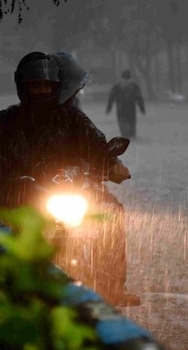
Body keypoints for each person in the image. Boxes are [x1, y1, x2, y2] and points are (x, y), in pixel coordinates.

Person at [0, 51, 139, 307]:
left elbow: (96, 144)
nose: (41, 91)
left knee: (112, 212)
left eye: (46, 85)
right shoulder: (7, 122)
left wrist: (112, 162)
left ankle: (112, 287)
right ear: (23, 88)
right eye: (35, 86)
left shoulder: (72, 118)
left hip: (68, 190)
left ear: (55, 87)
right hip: (18, 198)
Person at [106, 69, 145, 138]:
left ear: (122, 76)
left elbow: (111, 96)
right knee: (132, 126)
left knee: (123, 126)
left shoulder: (117, 85)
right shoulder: (134, 85)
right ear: (130, 76)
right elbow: (139, 97)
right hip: (131, 109)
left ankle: (126, 138)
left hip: (121, 109)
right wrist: (142, 108)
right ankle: (132, 138)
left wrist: (109, 108)